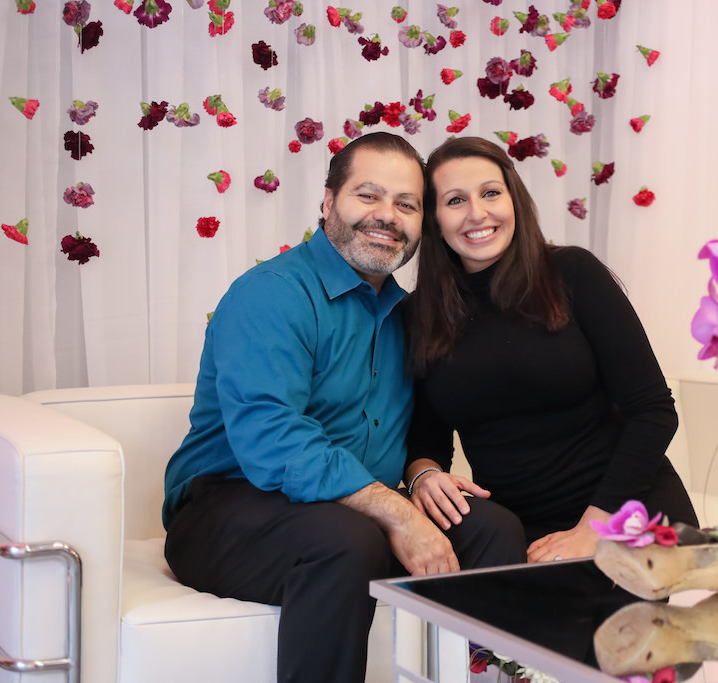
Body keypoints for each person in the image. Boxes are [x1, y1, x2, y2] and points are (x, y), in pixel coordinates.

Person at [162, 132, 526, 683]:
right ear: (329, 202)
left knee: (491, 529)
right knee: (344, 542)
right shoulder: (272, 294)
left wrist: (421, 473)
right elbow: (272, 440)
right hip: (230, 509)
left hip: (351, 510)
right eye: (368, 196)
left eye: (406, 204)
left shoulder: (411, 316)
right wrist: (399, 512)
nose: (387, 216)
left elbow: (425, 426)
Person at [404, 136, 698, 563]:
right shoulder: (420, 313)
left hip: (624, 511)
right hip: (519, 529)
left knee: (588, 628)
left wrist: (593, 529)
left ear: (514, 200)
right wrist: (423, 475)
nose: (477, 214)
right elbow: (426, 438)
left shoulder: (572, 273)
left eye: (490, 193)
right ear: (434, 219)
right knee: (499, 623)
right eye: (455, 201)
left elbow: (653, 410)